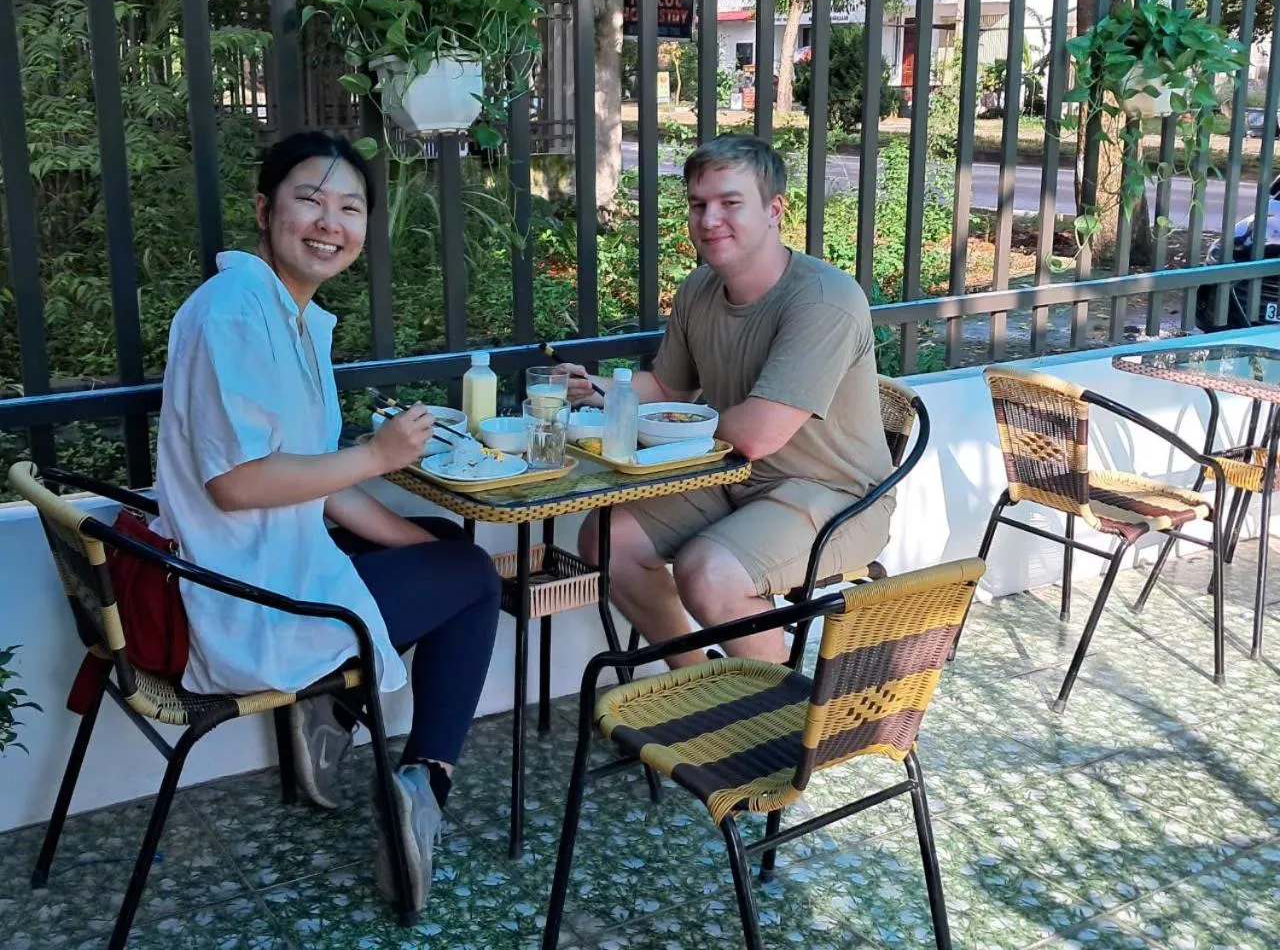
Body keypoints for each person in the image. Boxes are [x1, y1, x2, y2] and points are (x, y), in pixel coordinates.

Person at [153, 131, 500, 911]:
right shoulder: (237, 314)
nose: (328, 221)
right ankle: (424, 782)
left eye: (349, 207)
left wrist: (414, 535)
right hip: (250, 599)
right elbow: (240, 486)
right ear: (264, 209)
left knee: (445, 549)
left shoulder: (287, 314)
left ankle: (333, 715)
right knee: (475, 577)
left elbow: (318, 481)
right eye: (309, 199)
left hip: (260, 560)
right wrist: (378, 455)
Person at [559, 134, 894, 668]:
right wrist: (599, 391)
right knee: (605, 537)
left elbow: (757, 434)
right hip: (730, 480)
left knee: (708, 572)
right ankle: (695, 682)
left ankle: (776, 715)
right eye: (698, 204)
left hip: (835, 497)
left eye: (729, 202)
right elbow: (669, 390)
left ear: (774, 210)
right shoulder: (699, 288)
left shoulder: (824, 300)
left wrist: (670, 422)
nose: (709, 219)